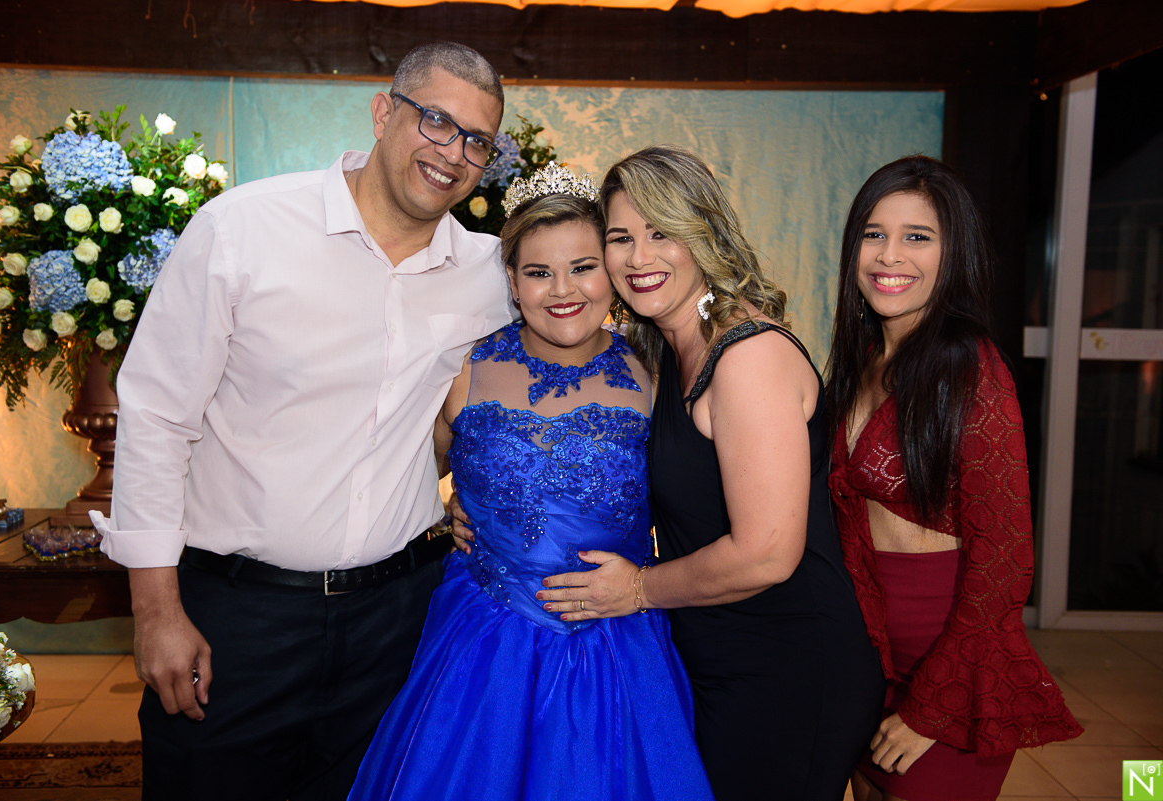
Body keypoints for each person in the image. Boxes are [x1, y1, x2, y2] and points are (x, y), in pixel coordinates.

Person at [91, 42, 516, 801]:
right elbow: (156, 416)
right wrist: (155, 610)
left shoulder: (490, 275)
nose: (453, 152)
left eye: (476, 140)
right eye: (437, 122)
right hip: (238, 618)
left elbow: (525, 385)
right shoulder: (243, 230)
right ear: (385, 112)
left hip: (398, 621)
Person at [347, 162, 714, 801]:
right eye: (538, 272)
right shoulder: (467, 367)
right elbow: (394, 473)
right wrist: (447, 512)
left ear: (611, 272)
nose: (561, 290)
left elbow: (692, 491)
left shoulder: (654, 365)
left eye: (583, 266)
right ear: (512, 282)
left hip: (615, 641)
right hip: (484, 644)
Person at [533, 145, 885, 801]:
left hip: (790, 667)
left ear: (705, 234)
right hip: (719, 654)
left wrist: (637, 587)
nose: (639, 257)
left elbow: (767, 553)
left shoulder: (747, 356)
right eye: (620, 237)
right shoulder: (669, 346)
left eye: (662, 231)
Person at [824, 155, 1082, 801]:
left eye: (918, 236)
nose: (890, 255)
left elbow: (1004, 560)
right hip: (866, 654)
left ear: (953, 252)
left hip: (951, 660)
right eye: (874, 233)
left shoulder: (971, 368)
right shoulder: (860, 361)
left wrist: (929, 708)